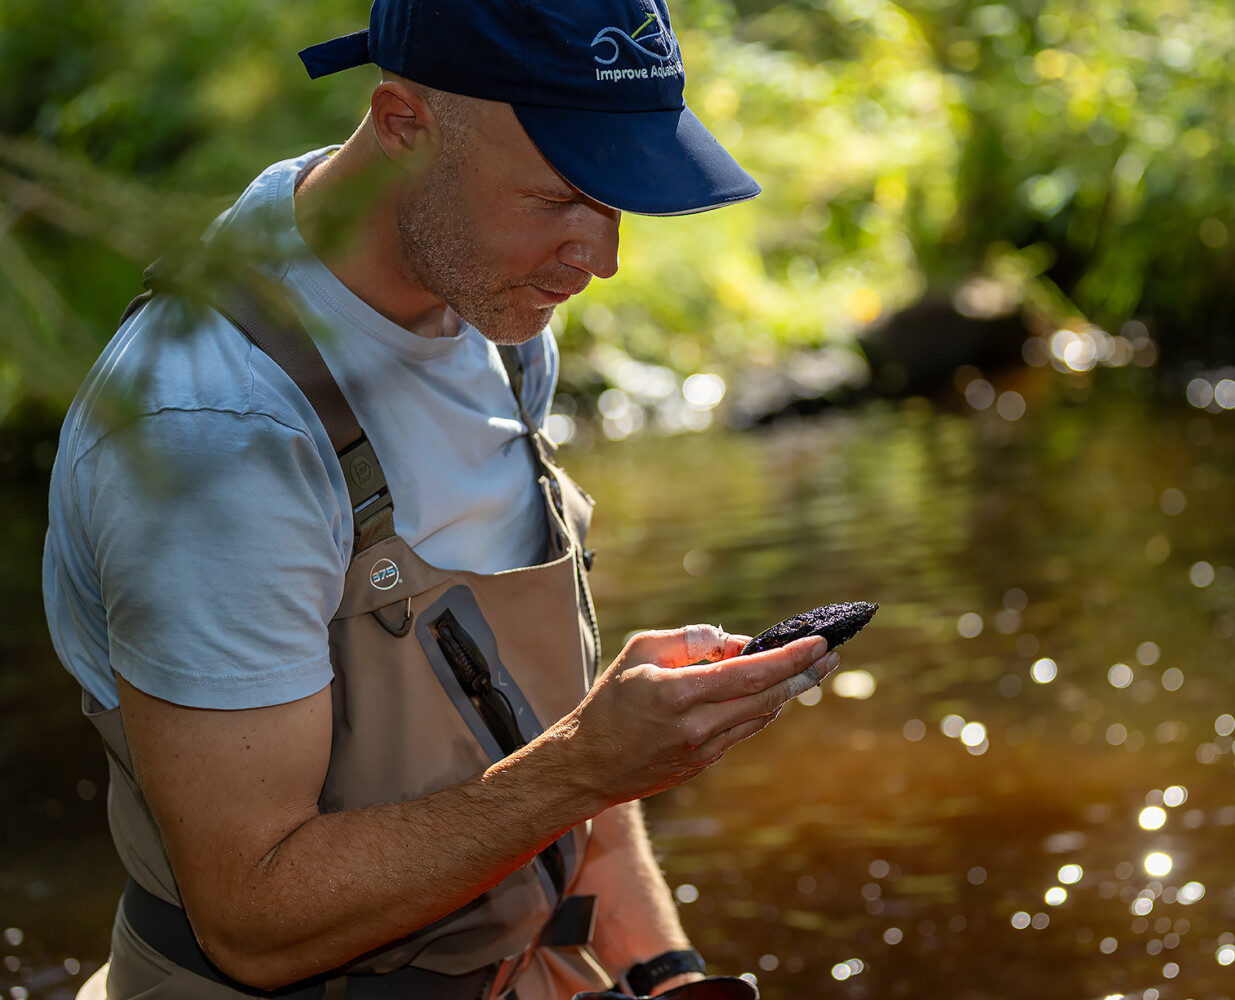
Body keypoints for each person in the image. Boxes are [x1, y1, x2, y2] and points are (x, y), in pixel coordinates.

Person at [41, 2, 838, 998]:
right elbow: (253, 918)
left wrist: (667, 975)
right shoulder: (217, 436)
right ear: (403, 123)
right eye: (558, 198)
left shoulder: (488, 308)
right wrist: (592, 763)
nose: (603, 260)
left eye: (618, 200)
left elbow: (529, 725)